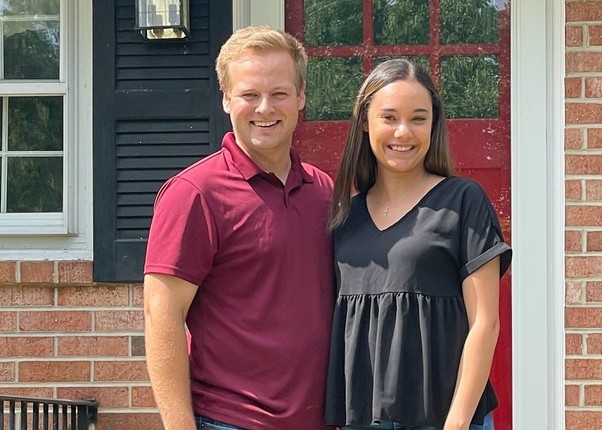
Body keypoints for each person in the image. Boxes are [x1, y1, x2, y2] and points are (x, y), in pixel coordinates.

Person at [143, 25, 335, 430]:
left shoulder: (323, 190)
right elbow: (162, 317)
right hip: (230, 420)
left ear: (301, 98)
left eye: (280, 93)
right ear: (227, 98)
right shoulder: (194, 193)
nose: (265, 108)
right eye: (250, 94)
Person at [324, 59, 513, 430]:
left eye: (418, 118)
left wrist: (456, 423)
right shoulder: (345, 218)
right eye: (389, 117)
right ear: (365, 122)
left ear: (433, 124)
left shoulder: (462, 201)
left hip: (446, 420)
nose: (403, 132)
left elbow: (485, 324)